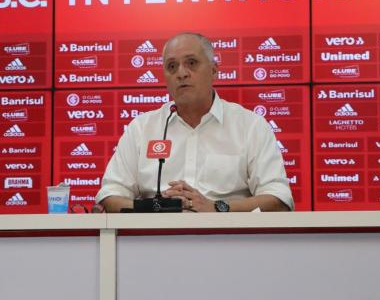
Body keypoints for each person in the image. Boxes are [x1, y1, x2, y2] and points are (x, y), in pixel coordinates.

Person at [96, 32, 294, 212]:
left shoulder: (250, 126)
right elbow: (110, 196)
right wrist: (156, 208)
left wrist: (217, 208)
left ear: (214, 70)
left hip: (230, 241)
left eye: (191, 63)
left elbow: (278, 198)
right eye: (172, 66)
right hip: (154, 243)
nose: (181, 73)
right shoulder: (141, 128)